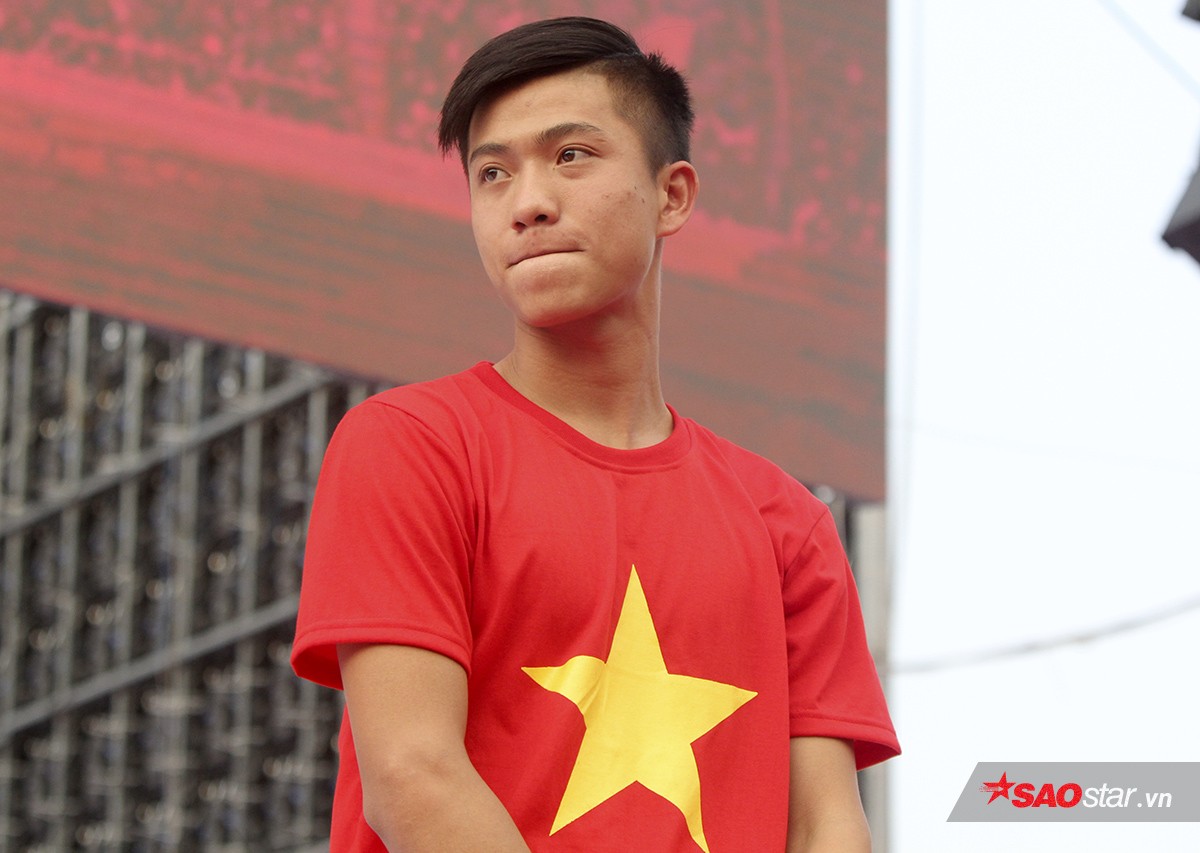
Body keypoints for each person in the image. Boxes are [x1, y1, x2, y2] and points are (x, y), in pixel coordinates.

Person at [291, 15, 899, 852]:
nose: (527, 203)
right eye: (492, 174)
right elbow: (412, 775)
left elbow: (825, 821)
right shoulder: (412, 446)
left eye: (570, 155)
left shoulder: (787, 524)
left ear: (672, 195)